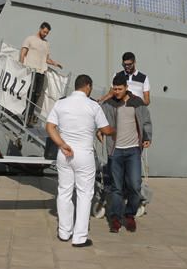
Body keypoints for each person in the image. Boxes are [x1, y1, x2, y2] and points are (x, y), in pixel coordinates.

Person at [46, 74, 113, 247]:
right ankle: (79, 237)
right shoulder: (93, 106)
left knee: (64, 192)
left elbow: (50, 127)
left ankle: (64, 232)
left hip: (65, 153)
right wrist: (114, 130)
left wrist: (62, 144)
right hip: (84, 155)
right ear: (88, 86)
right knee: (84, 194)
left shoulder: (61, 103)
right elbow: (105, 129)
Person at [99, 73, 153, 233]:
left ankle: (129, 215)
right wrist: (99, 130)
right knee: (116, 187)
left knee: (135, 185)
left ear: (126, 88)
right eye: (114, 89)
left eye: (119, 89)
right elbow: (100, 119)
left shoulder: (137, 103)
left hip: (133, 151)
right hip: (115, 151)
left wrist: (147, 136)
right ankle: (115, 218)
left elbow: (146, 120)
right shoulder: (108, 104)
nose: (116, 92)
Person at [20, 22, 63, 124]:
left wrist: (56, 64)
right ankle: (27, 117)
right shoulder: (30, 39)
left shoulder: (46, 44)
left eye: (47, 33)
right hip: (32, 70)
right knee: (31, 93)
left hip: (42, 72)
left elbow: (47, 59)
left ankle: (27, 114)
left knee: (37, 95)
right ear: (40, 29)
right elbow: (23, 54)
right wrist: (21, 67)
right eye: (44, 32)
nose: (45, 34)